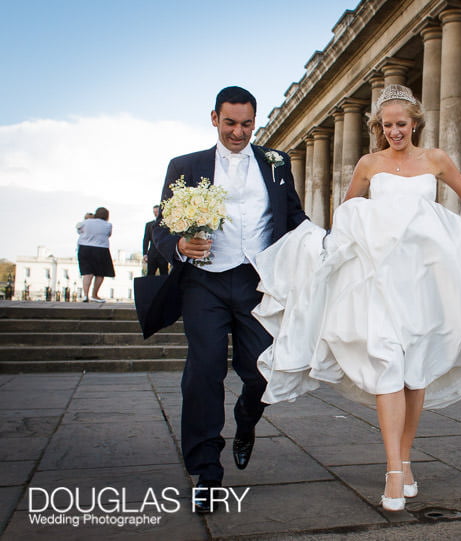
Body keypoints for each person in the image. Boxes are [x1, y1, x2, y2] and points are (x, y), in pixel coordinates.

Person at [250, 84, 461, 512]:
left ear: (414, 122)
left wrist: (455, 230)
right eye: (387, 125)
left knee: (416, 374)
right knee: (387, 366)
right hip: (377, 279)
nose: (394, 131)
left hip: (425, 280)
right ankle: (394, 470)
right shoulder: (369, 163)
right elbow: (347, 214)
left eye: (401, 124)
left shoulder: (434, 158)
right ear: (378, 127)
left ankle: (406, 458)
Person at [150, 86, 307, 514]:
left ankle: (246, 420)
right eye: (231, 122)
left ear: (254, 122)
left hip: (258, 281)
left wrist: (321, 245)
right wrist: (180, 244)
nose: (239, 132)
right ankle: (206, 474)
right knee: (203, 373)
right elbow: (160, 225)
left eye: (247, 124)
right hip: (205, 283)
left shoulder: (276, 163)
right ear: (215, 118)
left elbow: (293, 217)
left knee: (262, 372)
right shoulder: (186, 166)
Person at [76, 207, 115, 302]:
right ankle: (95, 295)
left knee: (87, 273)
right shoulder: (108, 225)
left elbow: (78, 230)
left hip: (85, 247)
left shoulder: (86, 222)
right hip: (101, 248)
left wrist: (89, 219)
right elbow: (108, 235)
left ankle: (85, 295)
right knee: (100, 273)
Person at [143, 205, 169, 275]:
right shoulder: (149, 225)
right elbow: (146, 239)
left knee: (164, 275)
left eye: (157, 212)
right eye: (154, 212)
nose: (155, 213)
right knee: (150, 275)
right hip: (152, 254)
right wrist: (145, 254)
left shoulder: (167, 224)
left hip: (163, 254)